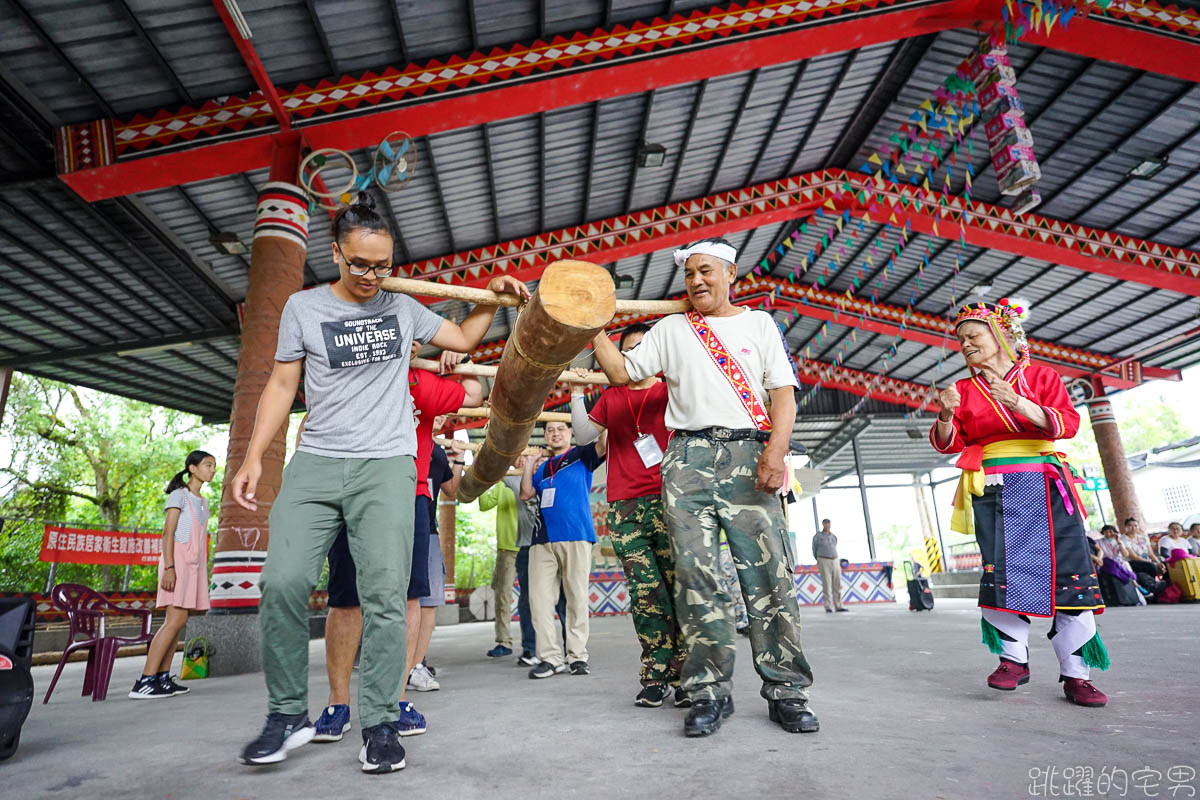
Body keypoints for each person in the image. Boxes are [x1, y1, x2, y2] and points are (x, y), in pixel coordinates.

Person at [230, 192, 529, 774]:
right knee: (282, 582)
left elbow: (464, 341)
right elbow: (280, 385)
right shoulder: (303, 307)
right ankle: (288, 711)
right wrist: (252, 458)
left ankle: (381, 721)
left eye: (383, 265)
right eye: (361, 263)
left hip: (388, 465)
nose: (372, 276)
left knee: (388, 596)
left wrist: (494, 298)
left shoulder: (402, 306)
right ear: (337, 253)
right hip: (316, 462)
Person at [590, 237, 818, 738]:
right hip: (687, 458)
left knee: (768, 577)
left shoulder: (758, 324)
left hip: (749, 453)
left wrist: (775, 452)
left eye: (706, 271)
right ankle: (708, 692)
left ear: (731, 273)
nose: (696, 280)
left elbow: (783, 393)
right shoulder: (670, 328)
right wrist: (594, 328)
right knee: (695, 578)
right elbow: (623, 373)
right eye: (690, 273)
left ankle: (788, 691)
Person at [930, 297, 1109, 708]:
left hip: (1046, 485)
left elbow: (1069, 424)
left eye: (973, 336)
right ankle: (1013, 660)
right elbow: (948, 443)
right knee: (1002, 573)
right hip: (992, 487)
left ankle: (1077, 674)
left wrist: (1019, 403)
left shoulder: (1042, 376)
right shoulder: (960, 391)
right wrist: (943, 415)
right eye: (961, 340)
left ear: (1001, 336)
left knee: (1070, 577)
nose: (967, 345)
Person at [309, 360, 477, 743]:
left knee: (410, 598)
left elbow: (475, 393)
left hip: (410, 492)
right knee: (346, 597)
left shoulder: (421, 379)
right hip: (350, 488)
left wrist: (460, 364)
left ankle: (397, 699)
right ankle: (339, 704)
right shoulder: (347, 369)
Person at [570, 323, 688, 709]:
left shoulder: (671, 389)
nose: (635, 357)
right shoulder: (613, 395)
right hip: (626, 508)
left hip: (670, 501)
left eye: (642, 349)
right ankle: (655, 675)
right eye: (627, 352)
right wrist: (576, 392)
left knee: (680, 589)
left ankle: (687, 675)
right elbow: (585, 435)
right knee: (645, 593)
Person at [520, 421, 606, 679]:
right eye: (549, 430)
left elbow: (603, 443)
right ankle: (551, 658)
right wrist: (529, 464)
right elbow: (526, 493)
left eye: (561, 429)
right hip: (541, 540)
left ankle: (577, 656)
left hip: (576, 536)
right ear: (545, 435)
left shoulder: (581, 455)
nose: (555, 433)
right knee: (540, 601)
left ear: (570, 432)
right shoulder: (543, 467)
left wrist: (603, 413)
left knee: (576, 598)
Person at [130, 450, 217, 699]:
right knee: (173, 621)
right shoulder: (179, 495)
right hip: (176, 564)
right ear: (192, 468)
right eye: (207, 465)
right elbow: (168, 534)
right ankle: (145, 681)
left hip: (194, 567)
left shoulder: (203, 502)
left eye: (213, 466)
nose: (212, 470)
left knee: (179, 622)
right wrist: (169, 568)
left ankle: (163, 678)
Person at [408, 432, 464, 694]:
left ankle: (416, 666)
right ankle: (395, 665)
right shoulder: (397, 438)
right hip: (393, 530)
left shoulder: (438, 452)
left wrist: (460, 460)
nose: (439, 417)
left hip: (428, 531)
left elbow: (451, 489)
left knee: (428, 602)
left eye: (443, 414)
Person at [479, 455, 531, 659]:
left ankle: (535, 644)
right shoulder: (503, 483)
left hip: (530, 547)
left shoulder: (535, 480)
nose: (521, 460)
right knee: (502, 597)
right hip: (506, 549)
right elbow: (483, 504)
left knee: (533, 598)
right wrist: (484, 479)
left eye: (526, 456)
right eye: (518, 456)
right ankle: (504, 641)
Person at [812, 519, 847, 614]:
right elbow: (814, 549)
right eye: (826, 524)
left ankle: (838, 605)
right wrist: (818, 559)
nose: (827, 525)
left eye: (829, 524)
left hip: (835, 560)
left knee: (837, 583)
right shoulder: (818, 536)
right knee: (827, 584)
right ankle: (828, 606)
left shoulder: (833, 536)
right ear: (823, 525)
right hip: (823, 560)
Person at [1120, 517, 1164, 584]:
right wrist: (1151, 562)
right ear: (1125, 527)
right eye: (1130, 525)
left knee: (1163, 565)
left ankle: (1163, 585)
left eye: (1135, 525)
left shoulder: (1143, 538)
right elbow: (1133, 557)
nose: (1133, 527)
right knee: (1151, 566)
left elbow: (1151, 554)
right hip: (1132, 562)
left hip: (1146, 561)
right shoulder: (1123, 539)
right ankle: (1153, 585)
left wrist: (1158, 562)